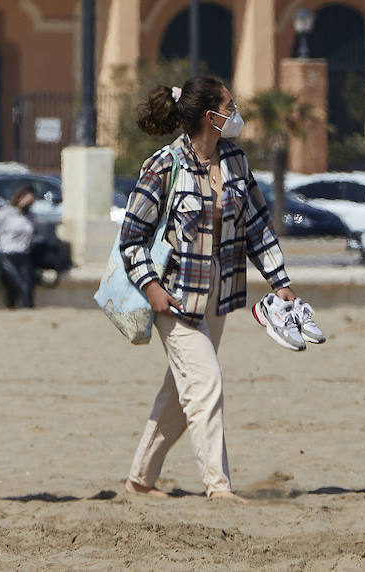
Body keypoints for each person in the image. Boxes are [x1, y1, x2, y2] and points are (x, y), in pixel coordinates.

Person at [120, 76, 302, 502]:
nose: (236, 111)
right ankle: (218, 488)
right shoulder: (164, 165)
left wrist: (281, 281)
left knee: (179, 393)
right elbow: (131, 238)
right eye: (229, 104)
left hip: (219, 292)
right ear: (211, 115)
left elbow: (258, 225)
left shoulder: (236, 160)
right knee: (205, 385)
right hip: (175, 294)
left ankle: (138, 482)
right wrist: (151, 288)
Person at [0, 184, 36, 309]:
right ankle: (12, 305)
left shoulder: (31, 217)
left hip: (23, 254)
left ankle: (27, 309)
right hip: (6, 254)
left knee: (28, 282)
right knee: (17, 282)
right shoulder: (7, 212)